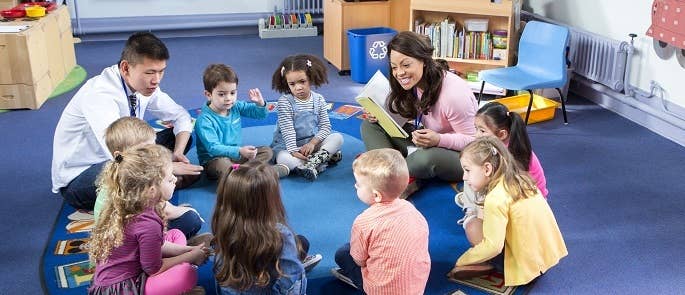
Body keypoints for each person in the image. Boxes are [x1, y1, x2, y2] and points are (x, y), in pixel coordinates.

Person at [52, 32, 203, 210]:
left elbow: (180, 116)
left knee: (176, 137)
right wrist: (165, 166)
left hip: (126, 154)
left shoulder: (143, 84)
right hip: (81, 176)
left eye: (161, 71)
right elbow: (120, 156)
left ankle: (154, 186)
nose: (156, 80)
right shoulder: (100, 95)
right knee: (129, 172)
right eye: (150, 72)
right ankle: (158, 185)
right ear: (125, 68)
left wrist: (177, 153)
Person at [360, 31, 477, 198]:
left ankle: (386, 171)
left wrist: (439, 139)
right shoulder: (413, 82)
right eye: (394, 67)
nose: (399, 72)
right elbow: (408, 114)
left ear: (423, 61)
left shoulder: (454, 94)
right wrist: (379, 114)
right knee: (371, 124)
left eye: (406, 65)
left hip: (460, 156)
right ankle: (398, 173)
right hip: (425, 141)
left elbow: (474, 142)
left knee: (424, 159)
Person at [88, 144, 210, 295]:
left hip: (114, 278)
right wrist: (190, 257)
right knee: (186, 275)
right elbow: (154, 269)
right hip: (123, 288)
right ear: (152, 191)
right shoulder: (147, 223)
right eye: (169, 178)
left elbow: (159, 245)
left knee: (176, 234)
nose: (174, 179)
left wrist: (188, 250)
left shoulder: (131, 204)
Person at [447, 137, 567, 286]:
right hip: (548, 256)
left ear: (487, 169)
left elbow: (493, 246)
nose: (464, 177)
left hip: (525, 268)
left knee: (473, 226)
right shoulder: (521, 179)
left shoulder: (496, 198)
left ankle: (488, 264)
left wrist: (462, 260)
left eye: (467, 170)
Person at [212, 160, 321, 294]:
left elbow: (221, 279)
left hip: (239, 285)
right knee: (297, 248)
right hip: (269, 284)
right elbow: (291, 283)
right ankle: (298, 263)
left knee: (301, 242)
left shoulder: (225, 227)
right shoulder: (280, 233)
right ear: (268, 200)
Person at [332, 148, 430, 294]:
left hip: (381, 290)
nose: (355, 186)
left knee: (343, 253)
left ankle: (362, 284)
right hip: (416, 288)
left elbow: (359, 260)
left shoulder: (364, 221)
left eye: (358, 184)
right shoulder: (413, 211)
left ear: (377, 195)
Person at [93, 117, 205, 239]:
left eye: (152, 147)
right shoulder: (136, 179)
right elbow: (166, 211)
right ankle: (173, 247)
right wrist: (190, 212)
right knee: (191, 219)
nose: (151, 153)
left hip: (116, 239)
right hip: (128, 244)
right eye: (143, 150)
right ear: (119, 154)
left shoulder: (117, 170)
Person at [455, 102, 549, 230]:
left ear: (502, 134)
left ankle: (472, 210)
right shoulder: (513, 144)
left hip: (522, 208)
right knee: (472, 172)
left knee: (474, 173)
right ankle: (471, 204)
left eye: (482, 131)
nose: (477, 135)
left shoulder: (503, 156)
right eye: (476, 129)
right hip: (536, 204)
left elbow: (501, 189)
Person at [194, 64, 289, 180]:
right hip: (214, 160)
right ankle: (263, 174)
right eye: (221, 94)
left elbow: (260, 115)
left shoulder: (235, 106)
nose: (228, 98)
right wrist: (240, 151)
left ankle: (242, 174)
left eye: (232, 93)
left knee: (267, 152)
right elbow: (213, 148)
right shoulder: (204, 120)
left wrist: (260, 104)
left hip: (236, 156)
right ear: (208, 95)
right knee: (224, 165)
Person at [270, 54, 344, 181]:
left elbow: (325, 127)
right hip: (287, 146)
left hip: (309, 144)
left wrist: (312, 143)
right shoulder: (284, 102)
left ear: (310, 78)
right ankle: (319, 161)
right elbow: (288, 130)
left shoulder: (318, 99)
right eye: (292, 84)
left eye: (302, 81)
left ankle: (314, 162)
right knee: (283, 158)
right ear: (287, 84)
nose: (298, 87)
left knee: (337, 138)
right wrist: (293, 151)